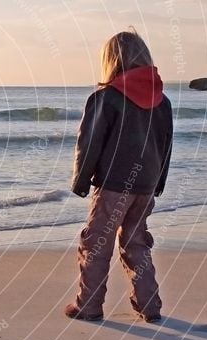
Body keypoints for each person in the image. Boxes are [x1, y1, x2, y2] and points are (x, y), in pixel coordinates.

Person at [67, 29, 173, 323]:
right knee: (136, 241)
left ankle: (87, 306)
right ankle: (149, 305)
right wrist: (158, 182)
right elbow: (165, 144)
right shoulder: (161, 101)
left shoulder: (106, 97)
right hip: (146, 185)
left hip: (114, 184)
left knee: (96, 242)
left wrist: (81, 181)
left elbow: (89, 143)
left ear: (110, 60)